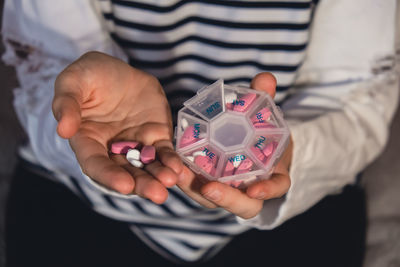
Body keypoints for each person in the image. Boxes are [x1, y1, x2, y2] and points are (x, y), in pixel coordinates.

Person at [2, 0, 399, 266]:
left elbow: (356, 93)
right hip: (80, 201)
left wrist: (294, 154)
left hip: (298, 202)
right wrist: (78, 113)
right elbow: (41, 64)